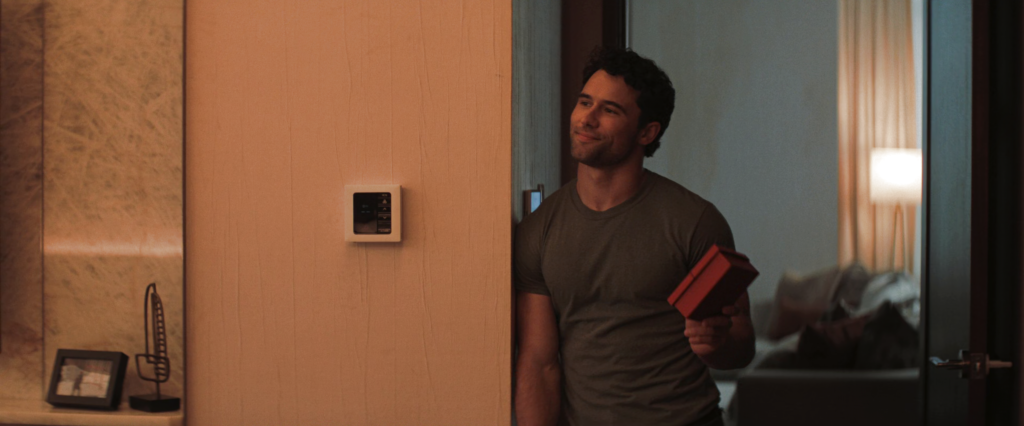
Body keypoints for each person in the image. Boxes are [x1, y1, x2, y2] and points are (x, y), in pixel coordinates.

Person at [514, 47, 755, 426]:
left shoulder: (695, 222)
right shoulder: (538, 230)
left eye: (610, 110)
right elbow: (538, 363)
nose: (587, 118)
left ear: (647, 132)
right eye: (585, 102)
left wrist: (717, 343)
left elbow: (741, 346)